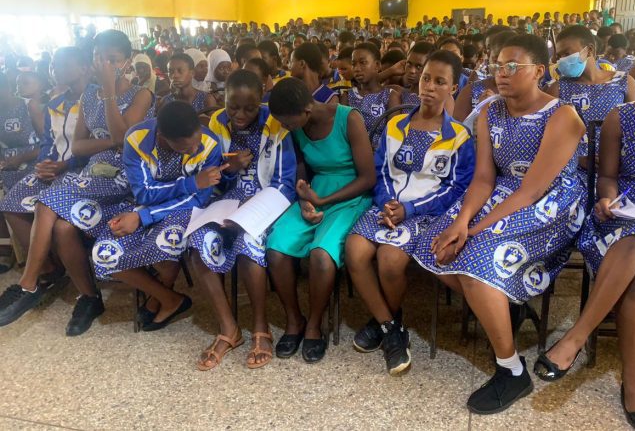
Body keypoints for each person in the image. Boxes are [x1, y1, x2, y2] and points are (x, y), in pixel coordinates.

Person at [412, 35, 586, 414]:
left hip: (550, 203)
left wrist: (476, 230)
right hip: (503, 190)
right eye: (497, 65)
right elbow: (484, 179)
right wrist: (460, 221)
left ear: (539, 71)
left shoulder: (562, 116)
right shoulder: (491, 110)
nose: (501, 74)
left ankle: (511, 370)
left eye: (513, 66)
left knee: (474, 260)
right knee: (433, 243)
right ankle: (505, 304)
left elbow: (532, 190)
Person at [534, 66, 635, 431]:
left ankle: (575, 339)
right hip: (624, 211)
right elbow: (606, 176)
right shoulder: (619, 118)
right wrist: (607, 199)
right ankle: (632, 380)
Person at [0, 29, 154, 334]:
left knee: (50, 198)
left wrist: (110, 94)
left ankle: (28, 284)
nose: (105, 64)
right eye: (100, 58)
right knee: (62, 226)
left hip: (127, 177)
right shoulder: (89, 96)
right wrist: (110, 140)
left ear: (127, 62)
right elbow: (79, 145)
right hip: (91, 173)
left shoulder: (141, 94)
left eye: (113, 59)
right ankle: (89, 297)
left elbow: (126, 143)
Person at [345, 50, 475, 375]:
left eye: (439, 81)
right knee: (355, 250)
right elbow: (382, 171)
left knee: (389, 259)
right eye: (425, 78)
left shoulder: (458, 136)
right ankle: (391, 326)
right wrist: (389, 203)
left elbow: (455, 188)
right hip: (389, 206)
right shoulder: (395, 125)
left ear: (453, 89)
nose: (429, 86)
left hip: (427, 213)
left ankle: (384, 323)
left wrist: (410, 208)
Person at [189, 70, 296, 370]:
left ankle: (260, 327)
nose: (240, 114)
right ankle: (228, 329)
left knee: (250, 240)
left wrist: (251, 207)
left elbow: (285, 182)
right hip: (225, 202)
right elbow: (214, 182)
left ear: (261, 98)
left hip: (267, 202)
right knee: (201, 242)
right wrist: (230, 169)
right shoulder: (216, 124)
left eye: (249, 108)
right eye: (232, 106)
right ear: (222, 99)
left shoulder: (275, 125)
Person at [266, 78, 376, 363]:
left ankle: (315, 323)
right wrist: (304, 201)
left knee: (321, 255)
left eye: (288, 122)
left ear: (306, 109)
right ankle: (294, 320)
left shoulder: (348, 119)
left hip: (350, 194)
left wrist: (323, 202)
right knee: (276, 248)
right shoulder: (296, 127)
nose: (285, 127)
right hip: (316, 193)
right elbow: (302, 171)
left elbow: (368, 177)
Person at [90, 100, 224, 333]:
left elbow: (199, 200)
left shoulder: (210, 144)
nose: (194, 151)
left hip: (181, 211)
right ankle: (169, 298)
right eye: (184, 148)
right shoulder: (137, 138)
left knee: (164, 245)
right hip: (141, 205)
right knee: (103, 254)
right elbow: (143, 192)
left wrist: (144, 217)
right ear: (162, 135)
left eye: (196, 143)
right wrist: (191, 183)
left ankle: (161, 299)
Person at [0, 47, 91, 284]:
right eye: (53, 65)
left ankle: (44, 272)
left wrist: (64, 165)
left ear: (83, 68)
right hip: (53, 167)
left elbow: (96, 145)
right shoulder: (55, 103)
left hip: (81, 168)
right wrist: (43, 164)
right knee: (10, 205)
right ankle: (49, 268)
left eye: (63, 65)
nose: (55, 70)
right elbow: (48, 141)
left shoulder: (95, 100)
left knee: (53, 213)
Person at [547, 25, 635, 170]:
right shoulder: (558, 88)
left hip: (618, 167)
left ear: (589, 50)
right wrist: (576, 159)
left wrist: (616, 159)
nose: (562, 60)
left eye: (567, 53)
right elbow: (546, 137)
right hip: (574, 170)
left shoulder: (623, 81)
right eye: (559, 56)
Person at [453, 30, 516, 121]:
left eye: (510, 64)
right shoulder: (471, 92)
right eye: (496, 61)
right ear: (489, 56)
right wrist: (479, 110)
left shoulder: (529, 95)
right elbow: (457, 131)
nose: (503, 70)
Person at [342, 43, 400, 139]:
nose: (357, 68)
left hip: (381, 152)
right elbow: (342, 133)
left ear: (377, 65)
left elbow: (392, 137)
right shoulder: (347, 96)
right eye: (353, 64)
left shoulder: (390, 96)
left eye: (363, 62)